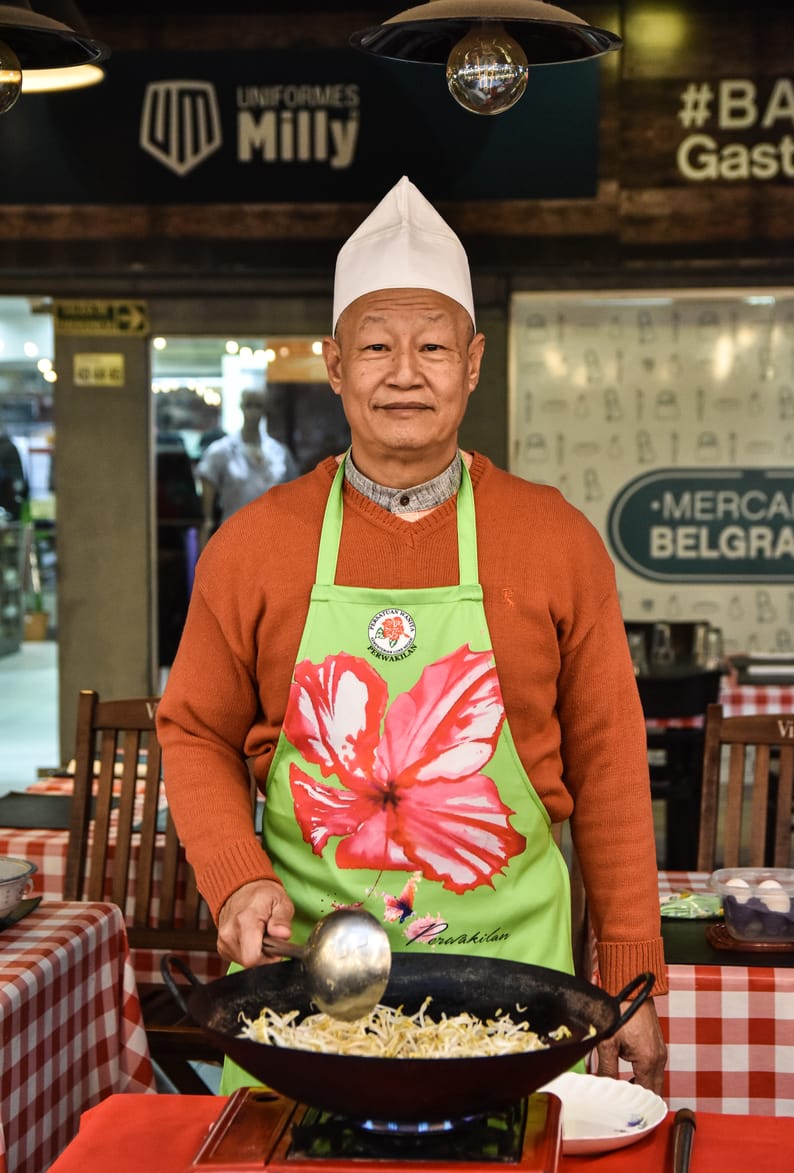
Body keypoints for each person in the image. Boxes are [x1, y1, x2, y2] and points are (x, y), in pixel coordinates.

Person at [157, 176, 667, 1092]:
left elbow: (610, 757)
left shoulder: (555, 539)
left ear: (472, 363)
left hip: (517, 988)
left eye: (432, 346)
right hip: (304, 991)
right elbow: (193, 727)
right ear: (335, 363)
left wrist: (631, 964)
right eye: (377, 347)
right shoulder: (254, 544)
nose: (404, 372)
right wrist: (237, 879)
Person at [196, 389, 298, 546]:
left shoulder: (280, 453)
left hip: (273, 540)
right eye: (249, 405)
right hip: (234, 539)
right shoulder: (220, 452)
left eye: (258, 405)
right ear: (241, 406)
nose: (253, 412)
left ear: (265, 409)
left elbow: (294, 502)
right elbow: (206, 517)